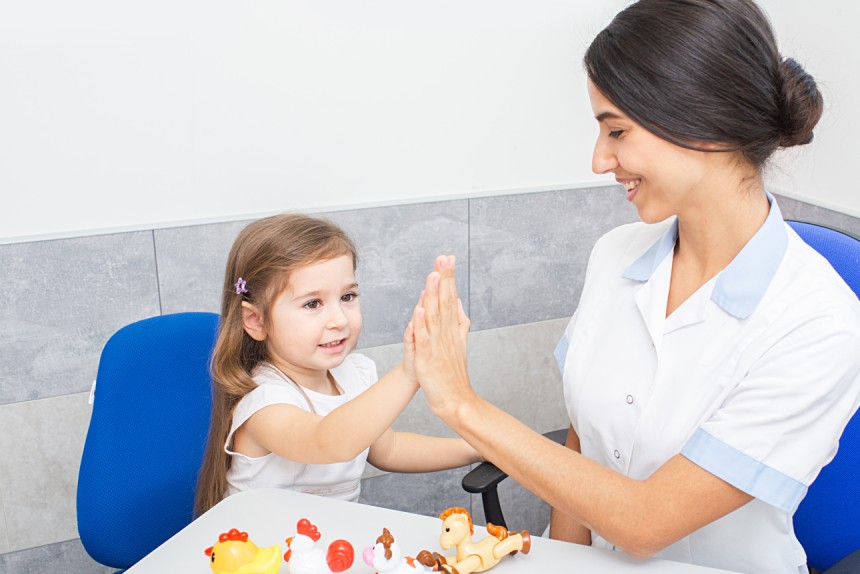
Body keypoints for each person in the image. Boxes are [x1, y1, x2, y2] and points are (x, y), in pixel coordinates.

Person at [407, 1, 860, 573]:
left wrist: (461, 404)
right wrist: (564, 564)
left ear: (707, 122)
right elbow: (584, 438)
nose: (600, 160)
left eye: (617, 130)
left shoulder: (820, 323)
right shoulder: (615, 255)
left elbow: (647, 523)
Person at [194, 213, 480, 516]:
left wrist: (477, 448)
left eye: (347, 296)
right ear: (256, 320)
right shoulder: (263, 403)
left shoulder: (355, 375)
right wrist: (412, 371)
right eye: (312, 303)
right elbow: (328, 442)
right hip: (260, 544)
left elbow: (390, 449)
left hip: (328, 541)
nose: (339, 320)